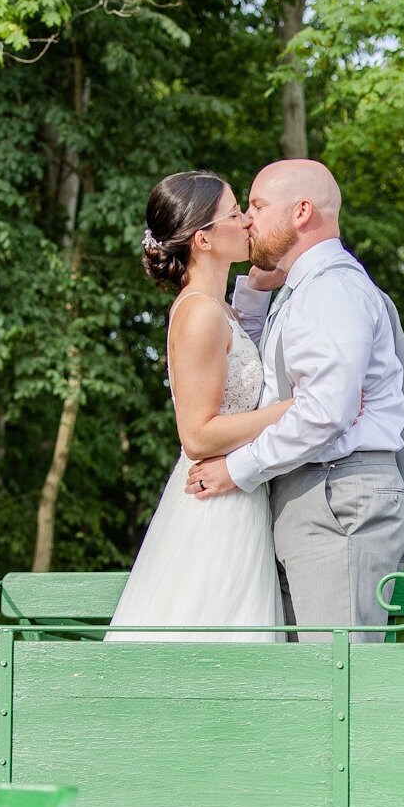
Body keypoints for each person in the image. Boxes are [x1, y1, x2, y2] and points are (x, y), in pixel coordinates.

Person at [187, 158, 404, 640]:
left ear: (302, 211)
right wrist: (254, 290)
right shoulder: (306, 290)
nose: (247, 219)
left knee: (336, 686)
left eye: (258, 206)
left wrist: (236, 469)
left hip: (338, 499)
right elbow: (260, 379)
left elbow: (323, 413)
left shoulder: (331, 290)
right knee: (312, 686)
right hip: (318, 497)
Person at [105, 171, 289, 642]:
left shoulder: (216, 306)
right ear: (204, 238)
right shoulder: (200, 314)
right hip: (214, 509)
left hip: (237, 498)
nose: (248, 220)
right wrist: (294, 409)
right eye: (234, 213)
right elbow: (197, 435)